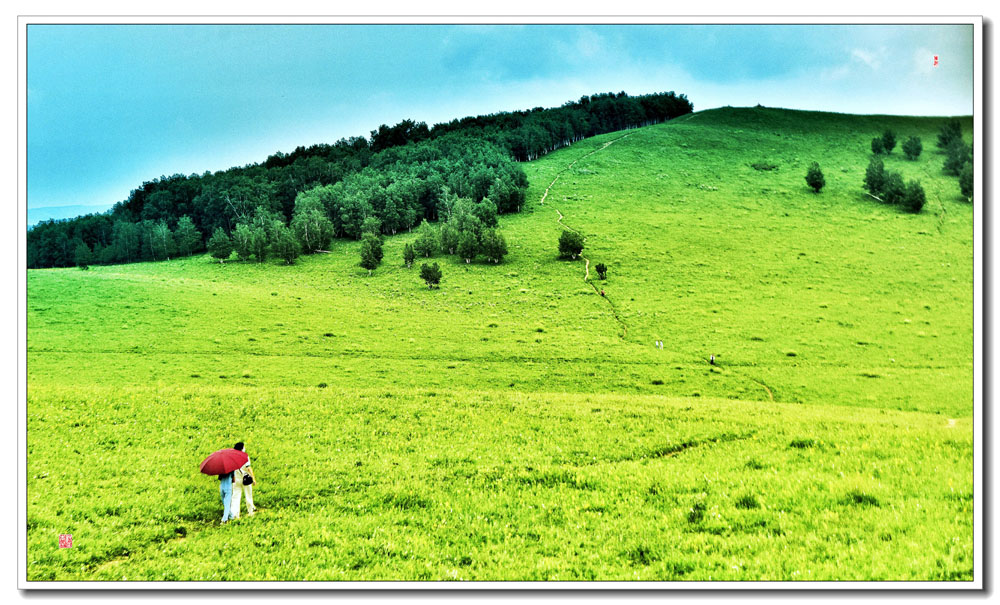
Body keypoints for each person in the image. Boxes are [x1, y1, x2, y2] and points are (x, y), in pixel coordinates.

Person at [231, 441, 256, 518]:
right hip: (246, 478)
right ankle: (251, 510)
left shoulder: (232, 457)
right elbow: (249, 468)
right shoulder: (245, 456)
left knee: (236, 496)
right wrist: (253, 478)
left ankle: (235, 514)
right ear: (242, 448)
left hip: (236, 479)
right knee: (248, 494)